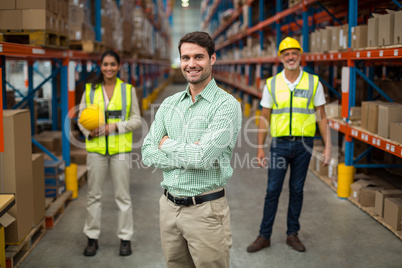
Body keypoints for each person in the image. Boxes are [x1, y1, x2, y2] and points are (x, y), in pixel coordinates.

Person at [141, 31, 242, 267]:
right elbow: (147, 151)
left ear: (212, 59)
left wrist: (166, 144)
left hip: (205, 212)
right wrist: (187, 153)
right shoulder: (169, 104)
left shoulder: (226, 105)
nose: (191, 64)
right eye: (185, 58)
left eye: (199, 57)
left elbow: (202, 157)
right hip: (168, 208)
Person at [247, 37, 331, 253]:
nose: (291, 57)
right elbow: (264, 117)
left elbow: (321, 116)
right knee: (272, 190)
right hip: (280, 145)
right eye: (286, 54)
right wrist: (259, 148)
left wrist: (328, 147)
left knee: (297, 190)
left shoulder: (314, 82)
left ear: (300, 56)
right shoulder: (272, 84)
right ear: (281, 58)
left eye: (294, 53)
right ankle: (264, 235)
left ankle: (292, 234)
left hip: (304, 146)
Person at [77, 50, 142, 257]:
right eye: (105, 64)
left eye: (112, 64)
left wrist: (114, 127)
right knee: (93, 195)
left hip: (120, 150)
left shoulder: (128, 90)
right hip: (96, 149)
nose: (109, 68)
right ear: (100, 66)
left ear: (119, 66)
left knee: (123, 196)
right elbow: (80, 117)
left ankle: (125, 238)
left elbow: (136, 120)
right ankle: (92, 238)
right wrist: (89, 131)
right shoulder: (89, 90)